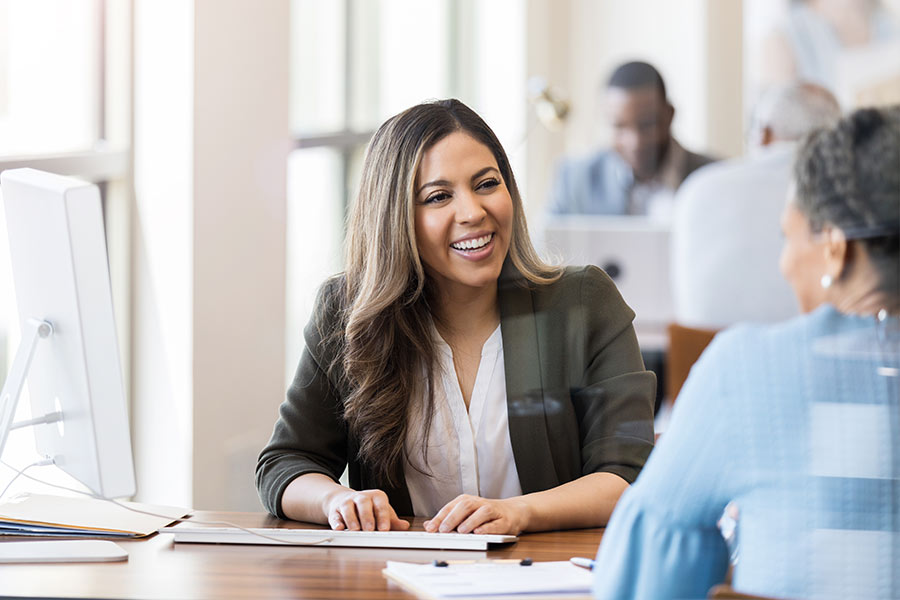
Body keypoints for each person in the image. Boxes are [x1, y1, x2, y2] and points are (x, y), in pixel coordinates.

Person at [256, 99, 656, 535]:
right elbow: (286, 462)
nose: (472, 212)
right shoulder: (346, 313)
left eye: (486, 184)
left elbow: (627, 474)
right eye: (439, 196)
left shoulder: (583, 302)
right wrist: (338, 500)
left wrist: (518, 513)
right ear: (396, 218)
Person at [593, 106, 900, 600]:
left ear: (836, 249)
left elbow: (646, 571)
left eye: (789, 236)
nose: (783, 263)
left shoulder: (749, 369)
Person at [671, 82, 842, 328]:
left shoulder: (696, 188)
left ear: (764, 133)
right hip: (808, 351)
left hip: (697, 356)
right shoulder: (842, 194)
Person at [546, 61, 716, 218]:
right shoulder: (575, 179)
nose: (635, 142)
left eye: (647, 124)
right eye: (619, 127)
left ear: (669, 116)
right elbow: (543, 247)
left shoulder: (714, 177)